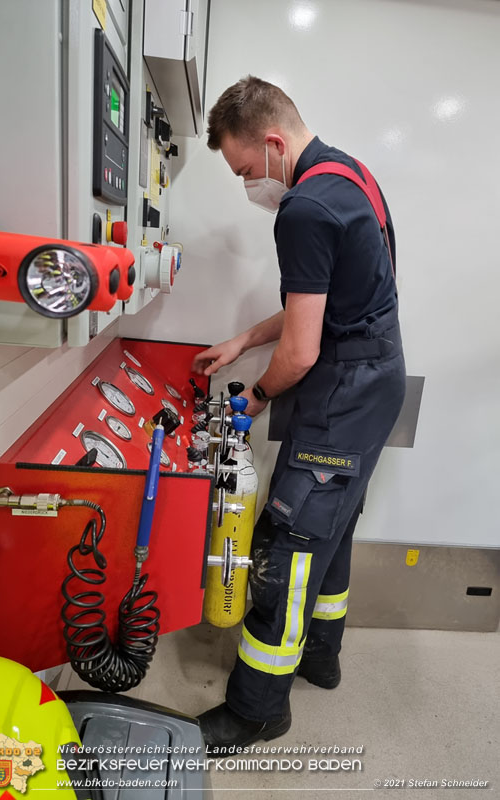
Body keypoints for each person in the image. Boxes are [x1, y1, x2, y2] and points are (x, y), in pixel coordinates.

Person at [192, 76, 406, 753]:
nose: (250, 186)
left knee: (286, 545)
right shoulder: (351, 175)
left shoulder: (305, 207)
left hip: (341, 392)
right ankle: (321, 656)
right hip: (375, 382)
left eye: (246, 169)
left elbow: (303, 347)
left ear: (274, 143)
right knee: (331, 529)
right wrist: (243, 341)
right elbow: (323, 300)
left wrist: (253, 399)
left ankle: (258, 709)